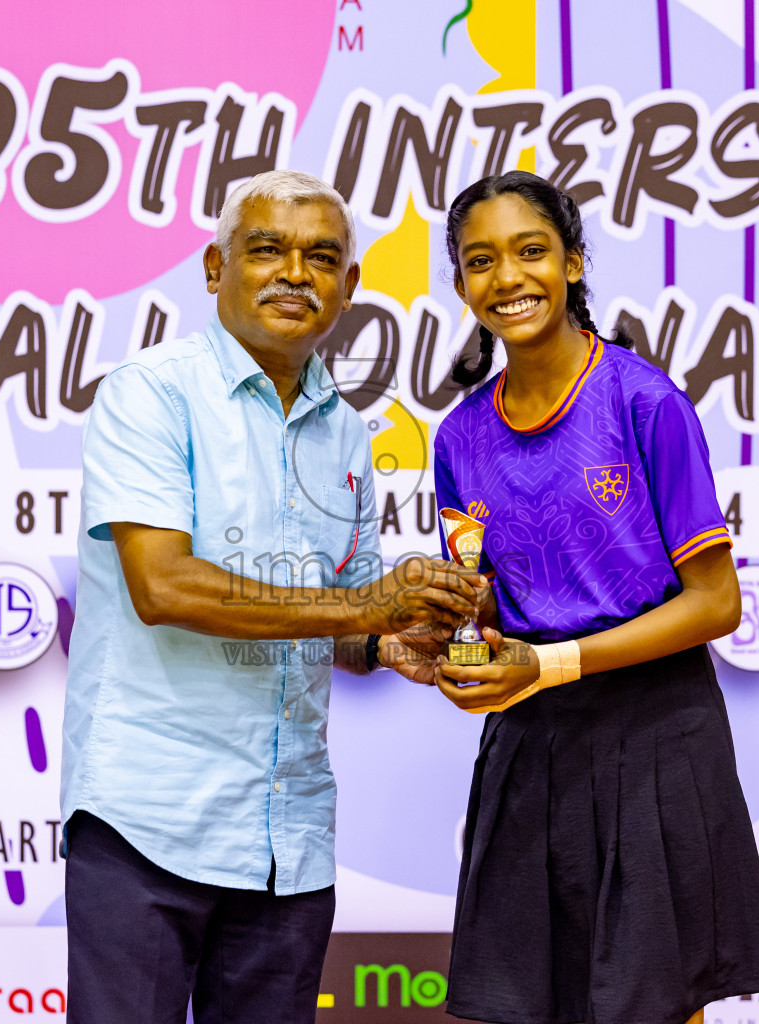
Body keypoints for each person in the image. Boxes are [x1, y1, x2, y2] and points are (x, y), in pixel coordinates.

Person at [60, 169, 486, 1024]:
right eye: (267, 251)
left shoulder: (347, 432)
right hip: (149, 821)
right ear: (215, 270)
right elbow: (164, 585)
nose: (296, 273)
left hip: (287, 841)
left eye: (322, 257)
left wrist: (390, 643)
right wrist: (368, 610)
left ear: (349, 288)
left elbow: (342, 615)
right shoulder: (150, 392)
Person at [423, 171, 759, 1024]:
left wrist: (550, 661)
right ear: (463, 285)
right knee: (523, 1005)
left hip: (657, 736)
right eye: (481, 261)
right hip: (528, 746)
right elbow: (485, 613)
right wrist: (454, 649)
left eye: (531, 251)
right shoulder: (460, 438)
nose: (508, 278)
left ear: (575, 264)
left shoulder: (645, 401)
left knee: (653, 1007)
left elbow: (717, 603)